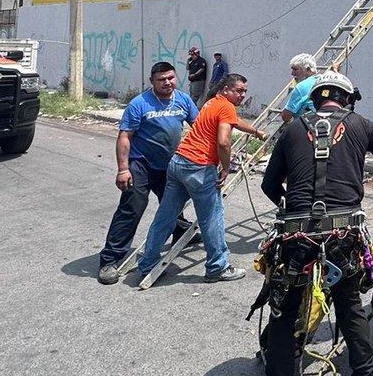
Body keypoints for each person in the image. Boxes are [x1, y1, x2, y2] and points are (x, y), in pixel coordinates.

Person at [258, 71, 373, 376]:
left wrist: (293, 208)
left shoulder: (292, 129)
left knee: (286, 306)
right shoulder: (361, 125)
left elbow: (269, 184)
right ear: (346, 98)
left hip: (296, 234)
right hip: (343, 234)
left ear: (315, 98)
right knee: (348, 304)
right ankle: (364, 375)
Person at [138, 74, 266, 283]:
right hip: (199, 167)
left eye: (245, 91)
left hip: (178, 162)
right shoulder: (226, 107)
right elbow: (223, 142)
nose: (243, 95)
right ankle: (218, 267)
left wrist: (255, 131)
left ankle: (147, 263)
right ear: (226, 89)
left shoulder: (213, 103)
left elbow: (233, 121)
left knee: (165, 216)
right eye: (238, 90)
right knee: (212, 219)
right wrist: (226, 168)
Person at [96, 62, 201, 285]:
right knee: (132, 207)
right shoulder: (139, 104)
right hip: (140, 163)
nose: (167, 83)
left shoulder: (183, 100)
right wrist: (123, 169)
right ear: (152, 81)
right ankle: (110, 259)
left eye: (171, 78)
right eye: (162, 79)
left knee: (173, 203)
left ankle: (180, 232)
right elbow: (125, 137)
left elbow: (199, 127)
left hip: (168, 163)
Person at [279, 53, 318, 125]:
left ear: (308, 70)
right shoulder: (321, 80)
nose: (292, 73)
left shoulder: (302, 87)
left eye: (296, 69)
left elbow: (286, 116)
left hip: (306, 127)